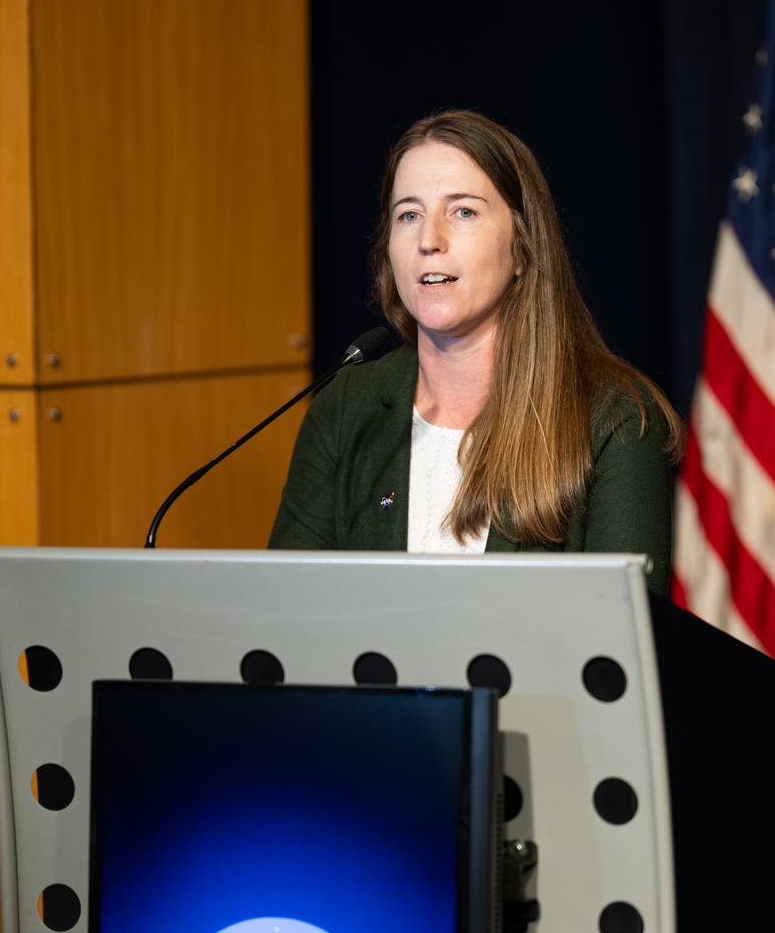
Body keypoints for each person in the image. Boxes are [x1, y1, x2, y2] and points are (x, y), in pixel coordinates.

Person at [268, 109, 682, 593]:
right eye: (409, 215)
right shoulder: (346, 405)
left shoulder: (615, 417)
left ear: (523, 247)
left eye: (462, 211)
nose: (429, 240)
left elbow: (622, 647)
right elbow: (287, 610)